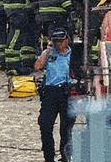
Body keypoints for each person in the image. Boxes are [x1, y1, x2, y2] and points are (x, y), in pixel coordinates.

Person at [35, 28, 76, 162]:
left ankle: (65, 156)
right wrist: (47, 51)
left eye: (60, 41)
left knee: (66, 128)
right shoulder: (50, 53)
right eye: (55, 41)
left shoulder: (74, 54)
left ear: (67, 40)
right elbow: (38, 66)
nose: (58, 44)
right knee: (45, 124)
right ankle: (49, 157)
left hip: (68, 92)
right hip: (51, 91)